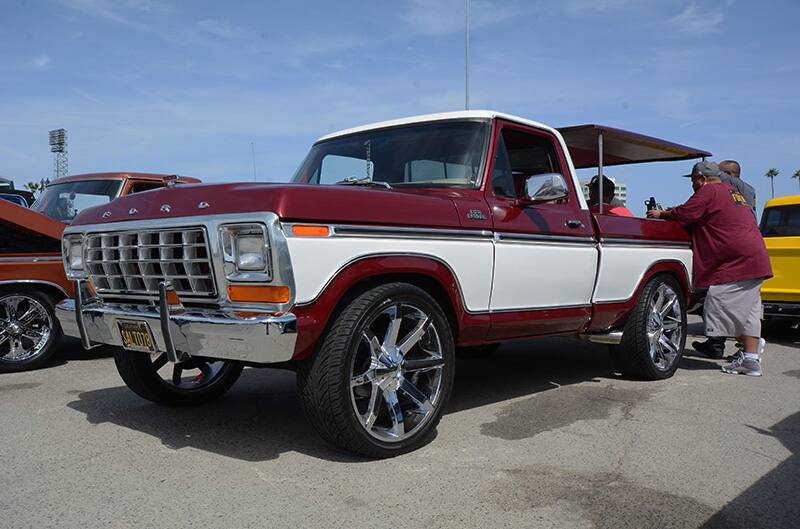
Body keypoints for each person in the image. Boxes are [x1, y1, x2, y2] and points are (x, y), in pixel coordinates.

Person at [647, 161, 772, 376]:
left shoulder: (709, 191)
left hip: (735, 262)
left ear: (701, 179)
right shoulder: (733, 192)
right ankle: (751, 360)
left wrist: (661, 214)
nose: (693, 186)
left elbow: (686, 214)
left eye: (694, 181)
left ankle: (752, 348)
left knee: (718, 303)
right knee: (749, 314)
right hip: (755, 259)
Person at [692, 159, 758, 357]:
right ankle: (748, 354)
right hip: (751, 244)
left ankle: (727, 346)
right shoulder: (746, 190)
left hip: (733, 249)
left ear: (728, 174)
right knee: (749, 308)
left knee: (720, 299)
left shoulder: (723, 186)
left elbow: (694, 212)